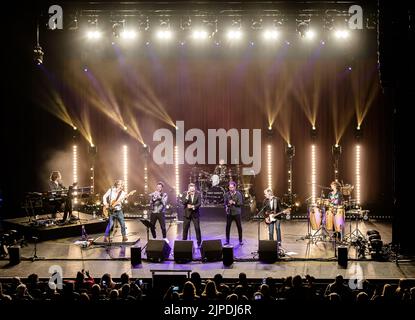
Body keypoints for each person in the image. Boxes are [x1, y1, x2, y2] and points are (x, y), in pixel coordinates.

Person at [181, 183, 202, 247]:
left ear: (195, 189)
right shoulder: (185, 193)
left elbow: (199, 203)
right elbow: (183, 202)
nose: (192, 191)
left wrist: (193, 206)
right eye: (191, 190)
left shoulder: (198, 194)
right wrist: (187, 195)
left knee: (197, 228)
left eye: (193, 190)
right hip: (187, 214)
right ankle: (184, 243)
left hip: (195, 214)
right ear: (188, 189)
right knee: (185, 229)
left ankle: (199, 243)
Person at [224, 181, 243, 245]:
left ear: (235, 187)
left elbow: (240, 203)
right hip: (229, 213)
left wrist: (234, 202)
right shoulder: (226, 194)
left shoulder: (238, 194)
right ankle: (227, 240)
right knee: (228, 227)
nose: (231, 189)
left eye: (232, 187)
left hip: (237, 213)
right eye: (230, 187)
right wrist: (227, 205)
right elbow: (225, 203)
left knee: (239, 227)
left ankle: (240, 240)